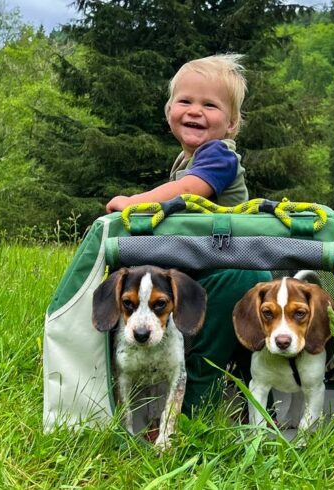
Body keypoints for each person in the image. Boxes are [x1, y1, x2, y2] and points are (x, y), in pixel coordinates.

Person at [105, 54, 271, 414]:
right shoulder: (185, 161)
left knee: (204, 354)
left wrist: (135, 203)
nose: (195, 111)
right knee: (192, 342)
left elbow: (190, 192)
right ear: (169, 114)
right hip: (211, 267)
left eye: (210, 105)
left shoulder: (219, 155)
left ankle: (195, 421)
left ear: (232, 123)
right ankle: (167, 412)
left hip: (235, 272)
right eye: (185, 101)